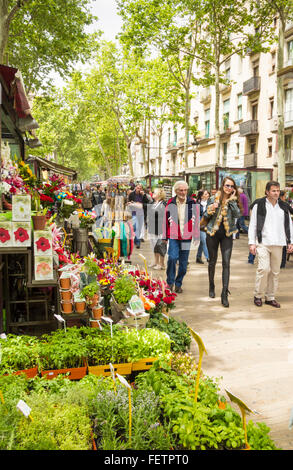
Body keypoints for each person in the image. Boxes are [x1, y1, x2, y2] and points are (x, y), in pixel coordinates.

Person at [248, 181, 293, 308]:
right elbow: (253, 224)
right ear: (267, 192)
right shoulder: (259, 205)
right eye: (274, 191)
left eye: (278, 191)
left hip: (279, 243)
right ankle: (258, 295)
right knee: (264, 268)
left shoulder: (283, 206)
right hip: (263, 242)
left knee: (275, 271)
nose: (276, 193)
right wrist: (252, 243)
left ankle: (270, 297)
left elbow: (289, 225)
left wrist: (291, 242)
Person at [203, 176, 241, 307]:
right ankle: (211, 285)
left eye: (231, 186)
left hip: (227, 235)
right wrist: (211, 208)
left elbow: (238, 215)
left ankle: (224, 293)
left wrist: (232, 201)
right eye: (227, 186)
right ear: (222, 186)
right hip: (212, 233)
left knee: (226, 263)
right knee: (212, 262)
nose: (229, 188)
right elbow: (206, 216)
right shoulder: (213, 199)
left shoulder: (233, 200)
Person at [163, 180, 200, 293]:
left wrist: (196, 235)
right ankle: (170, 282)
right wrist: (164, 236)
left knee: (183, 264)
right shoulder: (171, 203)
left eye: (185, 190)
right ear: (176, 191)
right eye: (180, 190)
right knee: (172, 258)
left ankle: (178, 283)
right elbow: (164, 220)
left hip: (186, 237)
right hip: (174, 236)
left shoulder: (192, 203)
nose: (183, 192)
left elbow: (197, 219)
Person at [147, 187, 167, 270]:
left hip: (160, 228)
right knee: (154, 246)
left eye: (154, 192)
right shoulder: (152, 203)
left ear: (159, 194)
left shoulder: (163, 204)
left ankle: (161, 263)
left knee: (160, 246)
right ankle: (155, 261)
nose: (152, 193)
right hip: (152, 227)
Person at [128, 184, 149, 248]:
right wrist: (131, 203)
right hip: (134, 212)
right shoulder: (131, 194)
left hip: (141, 213)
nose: (138, 189)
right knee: (135, 227)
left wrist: (144, 195)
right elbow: (128, 202)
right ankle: (136, 240)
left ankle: (137, 242)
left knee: (139, 228)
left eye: (140, 188)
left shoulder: (143, 195)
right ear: (135, 188)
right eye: (137, 188)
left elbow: (147, 202)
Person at [196, 189, 210, 264]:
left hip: (208, 224)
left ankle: (198, 257)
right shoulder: (197, 204)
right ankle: (208, 258)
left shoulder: (210, 203)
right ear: (201, 196)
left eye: (208, 193)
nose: (207, 195)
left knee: (202, 242)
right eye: (205, 194)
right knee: (205, 240)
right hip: (200, 224)